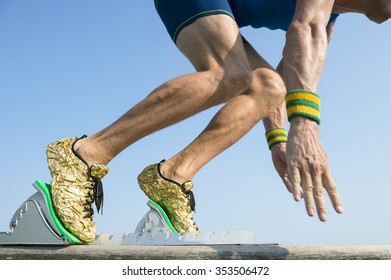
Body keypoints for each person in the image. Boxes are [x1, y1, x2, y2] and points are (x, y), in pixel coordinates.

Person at [46, 0, 391, 243]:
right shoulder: (317, 17)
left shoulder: (329, 20)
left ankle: (172, 176)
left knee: (268, 87)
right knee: (229, 74)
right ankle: (83, 154)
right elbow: (305, 26)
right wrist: (306, 126)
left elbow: (290, 81)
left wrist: (279, 140)